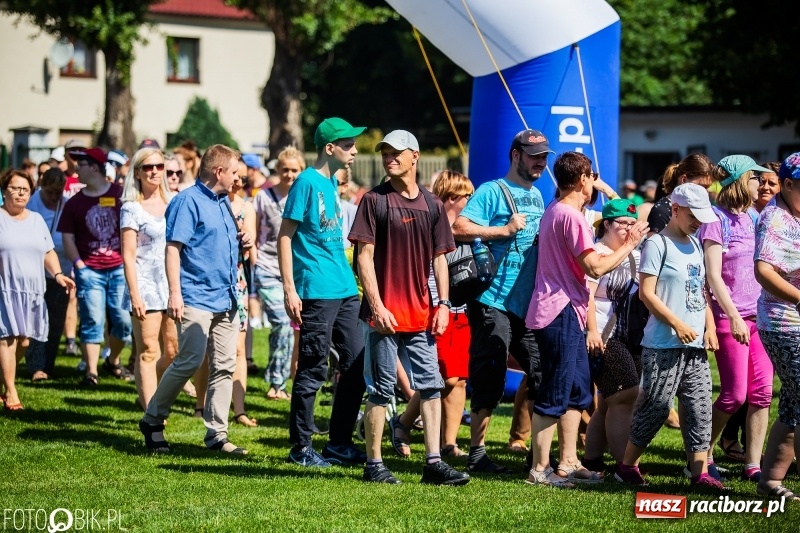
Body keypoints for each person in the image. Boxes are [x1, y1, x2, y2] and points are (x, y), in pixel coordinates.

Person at [349, 129, 468, 486]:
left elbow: (440, 259)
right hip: (383, 316)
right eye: (385, 152)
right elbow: (363, 257)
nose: (389, 157)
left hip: (422, 315)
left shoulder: (432, 204)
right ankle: (374, 464)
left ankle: (433, 462)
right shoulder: (374, 200)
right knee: (381, 390)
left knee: (431, 386)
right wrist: (376, 304)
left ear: (414, 156)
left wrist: (443, 303)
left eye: (396, 152)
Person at [525, 152, 647, 488]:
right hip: (559, 310)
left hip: (569, 311)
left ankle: (568, 461)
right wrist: (629, 246)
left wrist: (600, 184)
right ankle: (539, 469)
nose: (594, 182)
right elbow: (594, 267)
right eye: (591, 177)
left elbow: (604, 197)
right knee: (555, 392)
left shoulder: (560, 209)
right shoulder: (572, 216)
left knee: (578, 392)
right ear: (582, 180)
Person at [139, 144, 251, 454]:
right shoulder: (187, 201)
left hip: (226, 297)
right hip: (195, 296)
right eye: (234, 172)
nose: (238, 178)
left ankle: (217, 435)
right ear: (219, 172)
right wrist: (175, 293)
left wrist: (243, 239)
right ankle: (153, 419)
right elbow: (173, 249)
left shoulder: (223, 203)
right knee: (188, 360)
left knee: (225, 366)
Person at [450, 129, 547, 474]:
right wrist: (502, 231)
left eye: (544, 156)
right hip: (491, 298)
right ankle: (477, 452)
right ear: (515, 154)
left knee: (542, 371)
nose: (540, 161)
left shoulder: (537, 196)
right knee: (490, 372)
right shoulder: (492, 191)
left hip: (525, 304)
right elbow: (459, 227)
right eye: (534, 154)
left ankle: (536, 452)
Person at [616, 183, 725, 489]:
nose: (698, 222)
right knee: (656, 406)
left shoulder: (696, 245)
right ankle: (627, 467)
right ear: (675, 210)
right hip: (664, 343)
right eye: (693, 215)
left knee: (700, 407)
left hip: (694, 345)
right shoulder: (657, 245)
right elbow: (646, 295)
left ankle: (699, 472)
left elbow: (700, 291)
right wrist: (676, 323)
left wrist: (711, 327)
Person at [279, 117, 368, 467]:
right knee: (313, 367)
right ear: (330, 148)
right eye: (349, 145)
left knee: (358, 363)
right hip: (316, 288)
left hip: (345, 287)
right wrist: (290, 287)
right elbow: (284, 236)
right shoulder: (305, 182)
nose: (355, 150)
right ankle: (301, 448)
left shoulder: (332, 183)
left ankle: (338, 444)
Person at [390, 170, 475, 459]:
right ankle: (402, 422)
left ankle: (448, 443)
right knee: (440, 378)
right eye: (467, 197)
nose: (470, 202)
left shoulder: (466, 227)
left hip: (460, 309)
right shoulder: (431, 225)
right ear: (451, 198)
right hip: (434, 308)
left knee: (459, 379)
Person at [698, 155, 773, 483]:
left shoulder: (755, 216)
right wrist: (733, 317)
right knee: (734, 396)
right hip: (733, 318)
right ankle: (702, 454)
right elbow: (712, 276)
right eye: (756, 177)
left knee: (763, 394)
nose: (762, 184)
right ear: (742, 181)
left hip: (761, 317)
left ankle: (753, 465)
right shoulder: (716, 219)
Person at [0, 169, 75, 410]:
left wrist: (59, 274)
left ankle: (4, 376)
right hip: (4, 290)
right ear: (4, 191)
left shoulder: (35, 220)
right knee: (6, 340)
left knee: (23, 342)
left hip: (32, 291)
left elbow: (48, 251)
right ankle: (11, 392)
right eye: (15, 188)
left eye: (25, 189)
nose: (21, 193)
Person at [58, 147, 133, 387]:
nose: (76, 168)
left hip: (120, 268)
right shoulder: (74, 203)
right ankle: (91, 373)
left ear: (94, 168)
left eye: (81, 164)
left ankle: (112, 361)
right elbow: (67, 237)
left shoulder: (121, 195)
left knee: (123, 321)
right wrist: (79, 264)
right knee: (92, 320)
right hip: (89, 270)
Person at [753, 152, 800, 501]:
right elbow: (764, 270)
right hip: (786, 322)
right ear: (786, 184)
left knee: (794, 404)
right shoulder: (775, 219)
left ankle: (770, 481)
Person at [582, 199, 642, 470]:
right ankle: (625, 465)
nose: (629, 229)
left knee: (609, 400)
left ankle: (592, 459)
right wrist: (592, 331)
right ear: (606, 224)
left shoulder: (636, 253)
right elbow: (588, 296)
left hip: (632, 335)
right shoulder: (596, 252)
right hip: (605, 335)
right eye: (623, 224)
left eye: (633, 223)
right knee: (625, 395)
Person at [120, 147, 178, 410]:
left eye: (159, 166)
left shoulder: (176, 201)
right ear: (138, 172)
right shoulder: (131, 208)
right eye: (148, 167)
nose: (154, 171)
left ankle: (150, 395)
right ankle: (152, 412)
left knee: (173, 351)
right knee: (148, 350)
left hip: (173, 285)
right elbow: (128, 255)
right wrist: (134, 294)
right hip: (145, 284)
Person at [254, 147, 303, 401]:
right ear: (277, 170)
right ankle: (276, 382)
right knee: (282, 324)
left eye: (295, 170)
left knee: (290, 328)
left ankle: (281, 377)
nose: (289, 175)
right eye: (285, 169)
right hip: (267, 268)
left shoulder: (304, 196)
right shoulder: (263, 197)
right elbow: (254, 234)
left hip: (296, 271)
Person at [25, 168, 72, 382]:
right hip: (33, 270)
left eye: (58, 192)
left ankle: (48, 365)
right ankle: (35, 366)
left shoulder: (67, 203)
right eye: (50, 192)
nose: (54, 197)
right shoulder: (31, 203)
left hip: (61, 270)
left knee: (55, 320)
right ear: (42, 186)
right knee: (34, 319)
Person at [228, 159, 258, 426]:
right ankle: (201, 405)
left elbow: (253, 256)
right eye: (236, 175)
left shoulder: (247, 207)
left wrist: (249, 243)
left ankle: (239, 410)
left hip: (237, 282)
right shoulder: (208, 203)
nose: (239, 181)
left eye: (243, 178)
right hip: (208, 280)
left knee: (239, 348)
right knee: (206, 349)